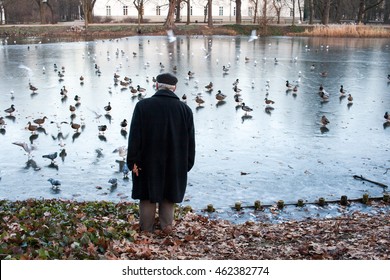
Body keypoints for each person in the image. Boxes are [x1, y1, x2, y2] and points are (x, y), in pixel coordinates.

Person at [127, 72, 195, 233]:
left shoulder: (142, 106)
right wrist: (187, 163)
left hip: (146, 161)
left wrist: (133, 162)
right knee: (169, 195)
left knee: (147, 196)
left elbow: (134, 137)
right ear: (175, 88)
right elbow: (190, 142)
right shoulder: (185, 110)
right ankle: (166, 229)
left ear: (156, 86)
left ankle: (146, 231)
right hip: (175, 161)